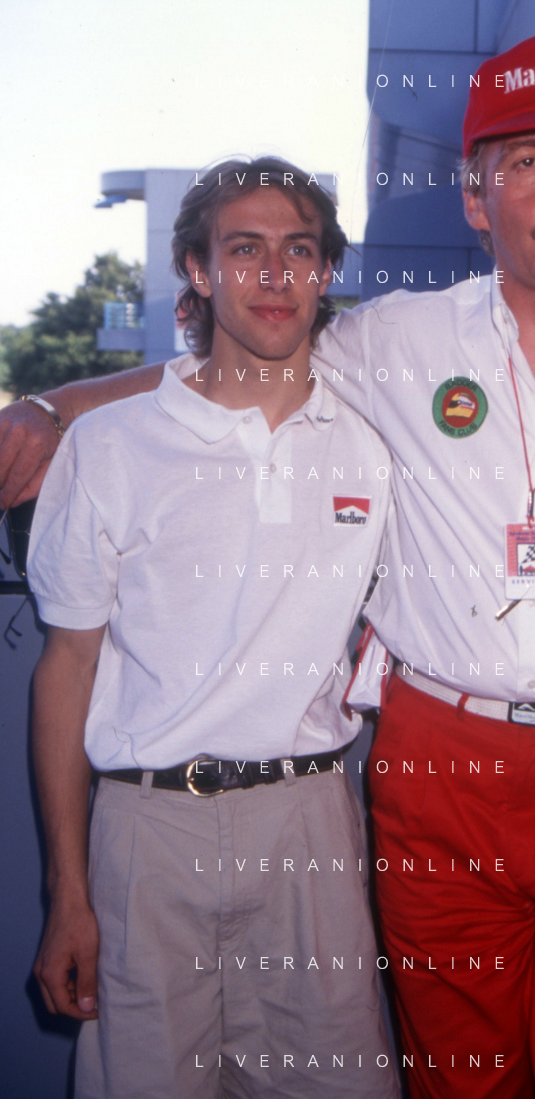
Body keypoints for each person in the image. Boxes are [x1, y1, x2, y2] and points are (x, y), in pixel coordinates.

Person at [3, 33, 535, 1098]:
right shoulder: (399, 340)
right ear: (475, 199)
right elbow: (236, 357)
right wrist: (54, 405)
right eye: (524, 162)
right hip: (434, 772)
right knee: (460, 1078)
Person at [23, 158, 399, 1099]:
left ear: (325, 271)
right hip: (147, 832)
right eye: (244, 249)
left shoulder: (373, 443)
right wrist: (66, 890)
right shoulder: (110, 446)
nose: (273, 275)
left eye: (297, 250)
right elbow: (66, 670)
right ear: (198, 269)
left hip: (308, 824)